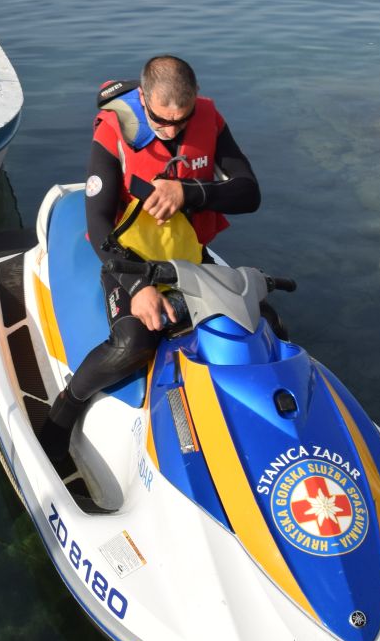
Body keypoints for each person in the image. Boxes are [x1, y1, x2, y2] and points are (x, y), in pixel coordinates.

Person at [38, 55, 260, 463]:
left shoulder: (209, 118)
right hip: (129, 257)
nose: (172, 130)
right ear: (143, 99)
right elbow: (98, 224)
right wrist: (138, 288)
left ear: (195, 99)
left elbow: (250, 193)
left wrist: (188, 192)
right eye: (161, 120)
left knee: (259, 321)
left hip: (186, 255)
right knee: (132, 344)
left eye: (182, 120)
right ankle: (63, 413)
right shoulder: (114, 130)